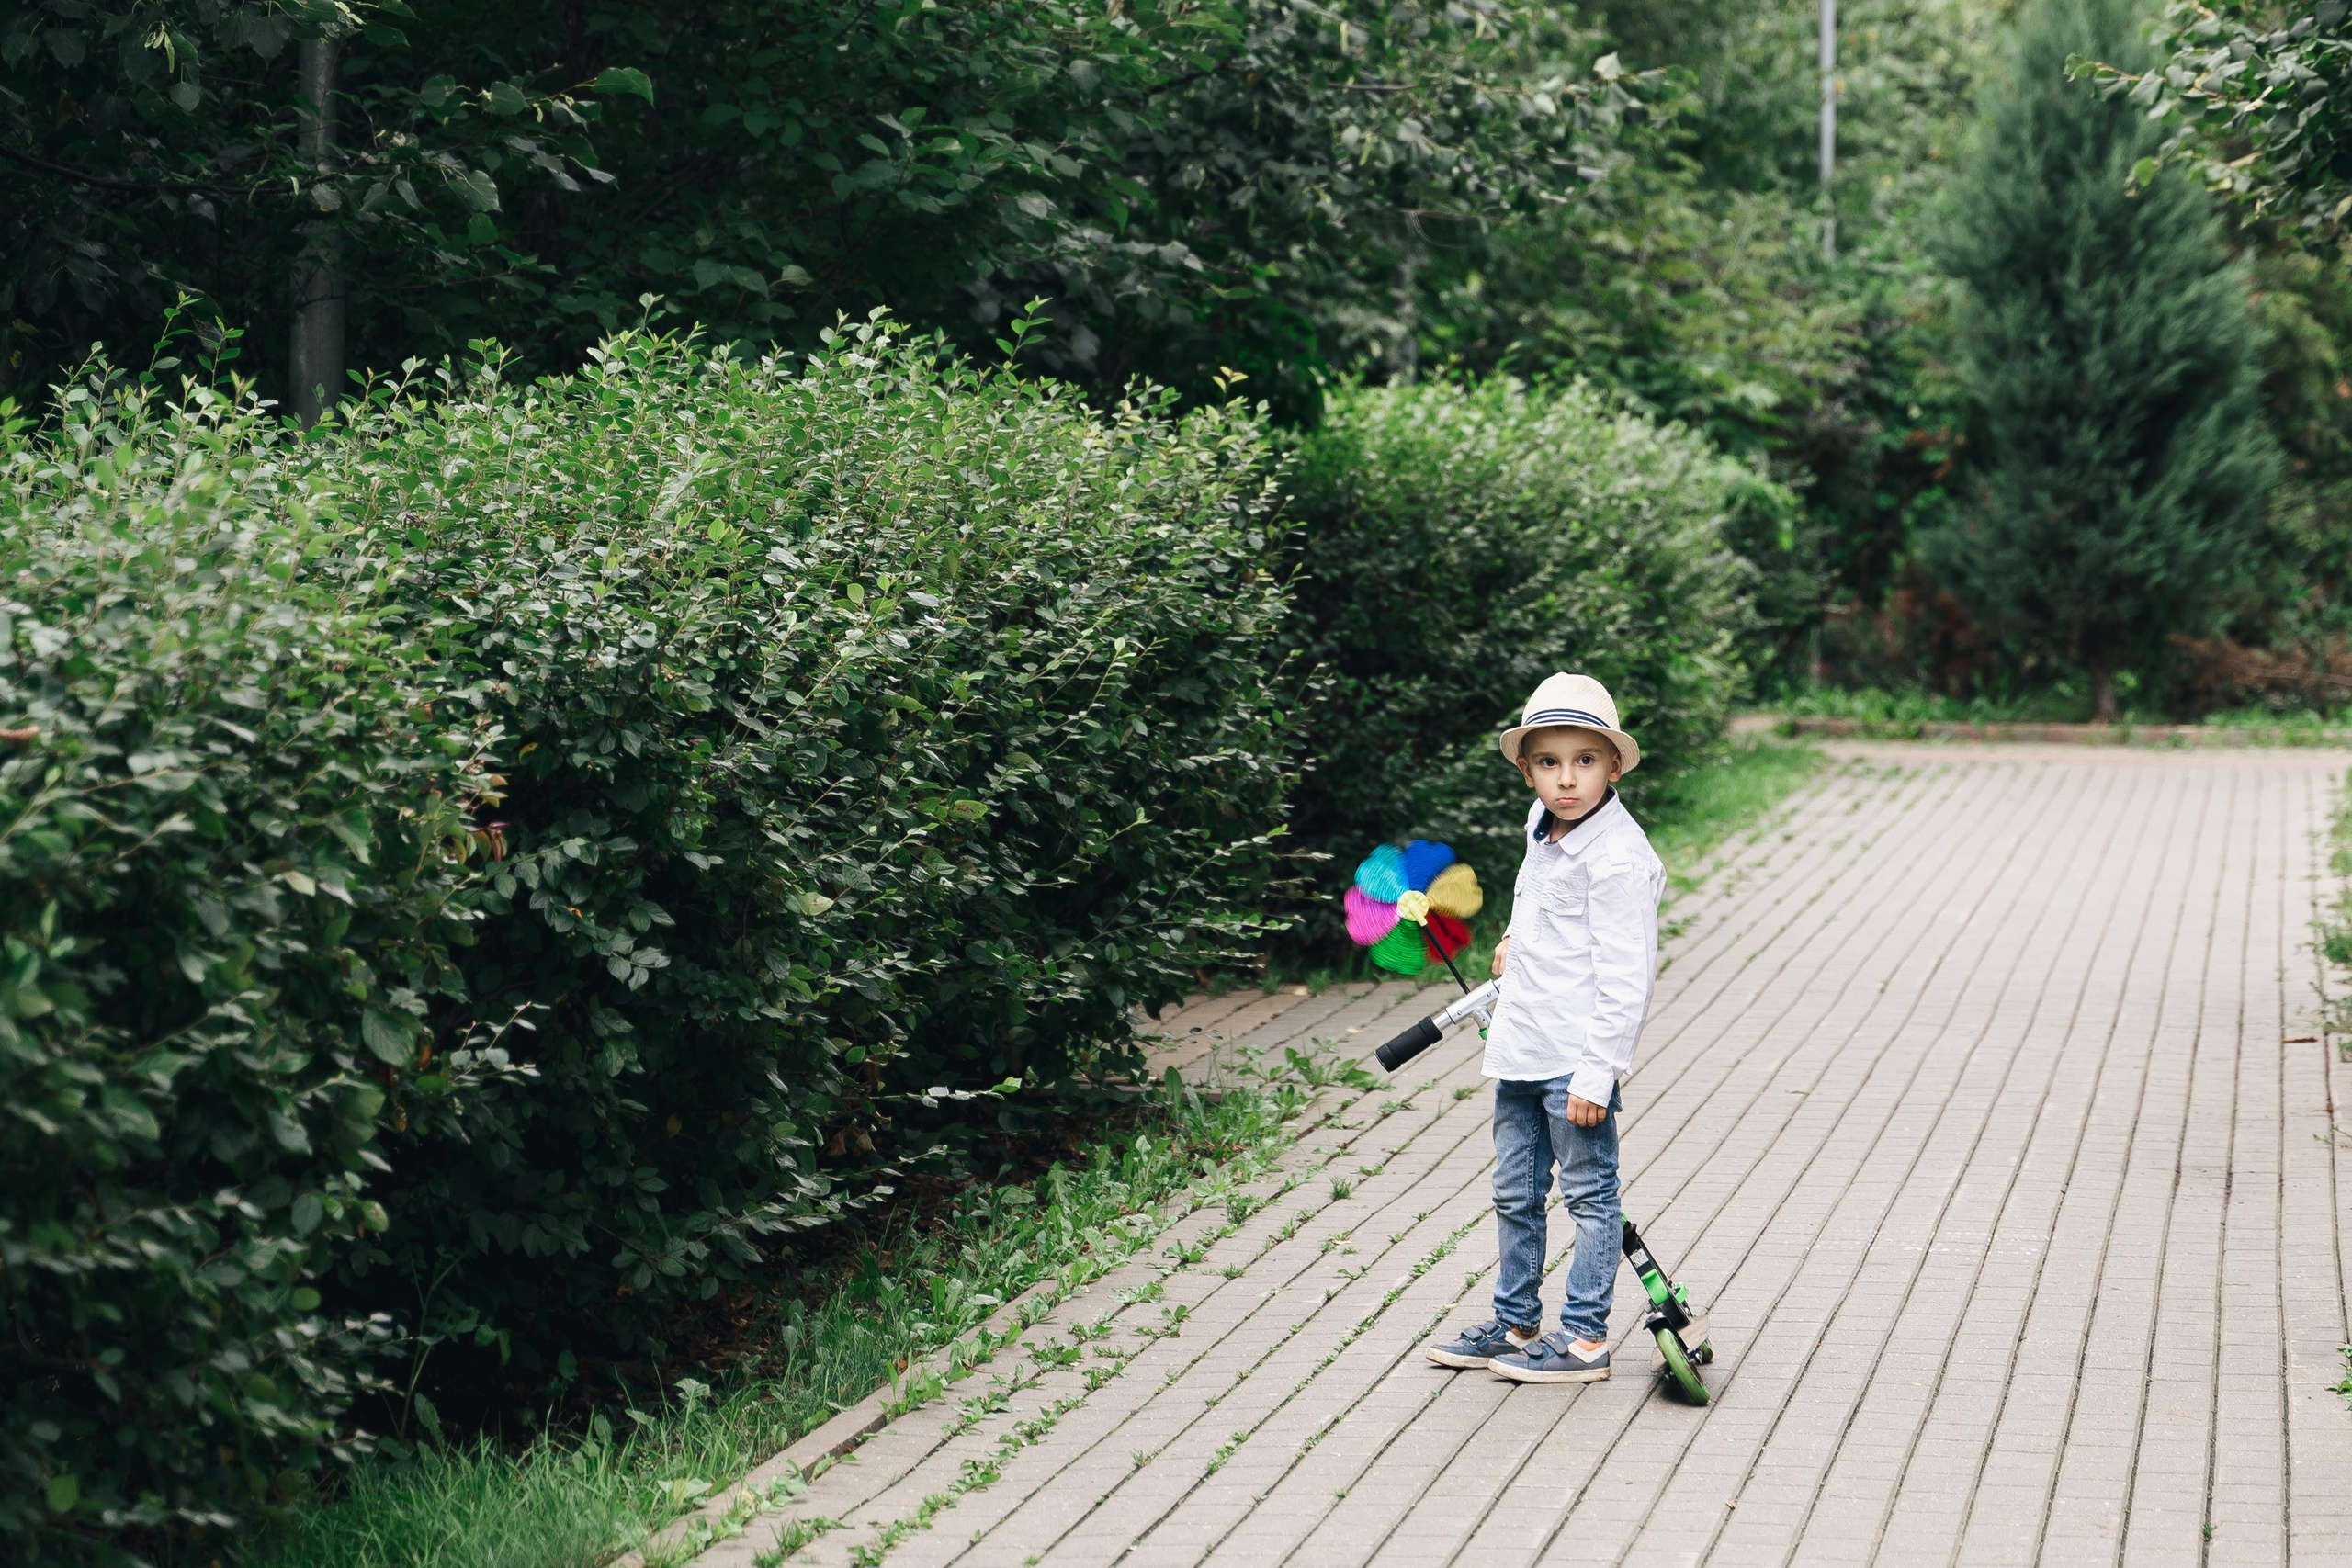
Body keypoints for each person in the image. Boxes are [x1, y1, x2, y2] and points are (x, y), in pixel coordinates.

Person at [1422, 672, 1664, 1383]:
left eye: (1585, 761)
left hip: (1574, 1060)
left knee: (1590, 1195)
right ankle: (1515, 1320)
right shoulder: (1544, 827)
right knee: (1515, 1191)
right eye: (1549, 763)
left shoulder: (1618, 858)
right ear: (1527, 768)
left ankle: (1585, 1338)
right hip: (1522, 1047)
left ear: (1613, 765)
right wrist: (1512, 943)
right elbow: (1544, 906)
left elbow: (1628, 975)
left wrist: (1599, 1071)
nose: (1567, 779)